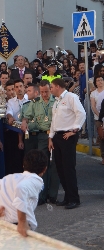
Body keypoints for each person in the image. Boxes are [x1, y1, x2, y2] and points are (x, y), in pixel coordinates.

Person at [0, 149, 48, 237]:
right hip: (20, 228)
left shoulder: (9, 178)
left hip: (3, 227)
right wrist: (22, 222)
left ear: (23, 165)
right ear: (44, 169)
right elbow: (21, 188)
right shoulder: (36, 180)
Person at [48, 78, 86, 209]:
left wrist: (74, 130)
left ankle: (74, 198)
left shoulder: (71, 97)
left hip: (67, 136)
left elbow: (81, 113)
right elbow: (54, 121)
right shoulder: (57, 101)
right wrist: (50, 137)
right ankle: (67, 196)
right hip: (58, 136)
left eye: (51, 87)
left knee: (68, 167)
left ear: (58, 86)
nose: (50, 89)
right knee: (60, 168)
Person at [21, 81, 59, 205]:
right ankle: (41, 195)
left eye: (46, 91)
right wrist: (25, 121)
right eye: (42, 92)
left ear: (50, 90)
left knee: (55, 166)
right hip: (42, 135)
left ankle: (53, 195)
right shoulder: (36, 103)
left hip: (55, 135)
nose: (44, 94)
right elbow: (27, 115)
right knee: (43, 165)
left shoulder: (57, 101)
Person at [5, 79, 28, 175]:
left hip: (27, 132)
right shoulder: (11, 101)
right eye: (17, 87)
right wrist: (10, 117)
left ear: (24, 87)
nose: (19, 89)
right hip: (15, 130)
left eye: (21, 86)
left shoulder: (29, 99)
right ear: (14, 89)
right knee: (16, 158)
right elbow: (9, 112)